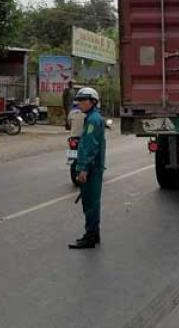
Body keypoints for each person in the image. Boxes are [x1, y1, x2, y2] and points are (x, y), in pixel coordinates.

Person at [69, 87, 106, 250]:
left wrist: (83, 168)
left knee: (90, 203)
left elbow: (90, 146)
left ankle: (90, 236)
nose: (80, 104)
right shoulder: (92, 118)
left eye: (83, 101)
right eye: (79, 101)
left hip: (91, 168)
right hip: (93, 167)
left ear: (92, 102)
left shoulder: (93, 121)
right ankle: (94, 234)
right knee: (92, 202)